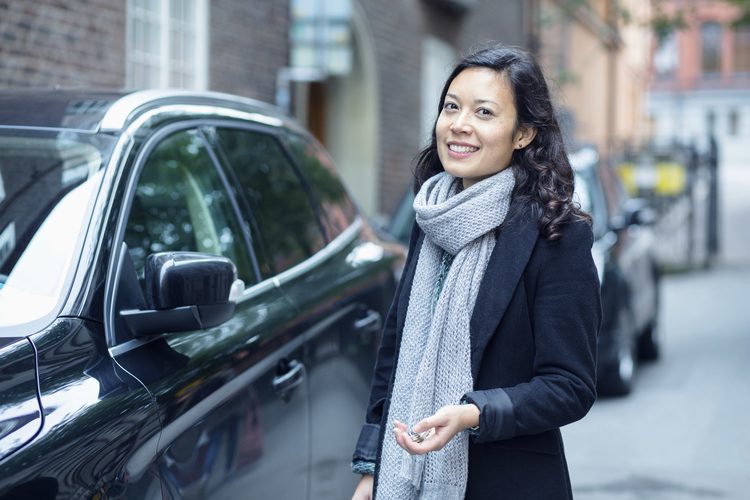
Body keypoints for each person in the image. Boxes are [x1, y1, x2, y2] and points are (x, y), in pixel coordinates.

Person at [350, 43, 601, 500]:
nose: (459, 125)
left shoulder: (556, 236)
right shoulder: (430, 219)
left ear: (523, 133)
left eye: (484, 112)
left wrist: (473, 413)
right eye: (451, 107)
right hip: (404, 475)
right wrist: (371, 468)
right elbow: (393, 356)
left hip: (507, 482)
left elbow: (570, 386)